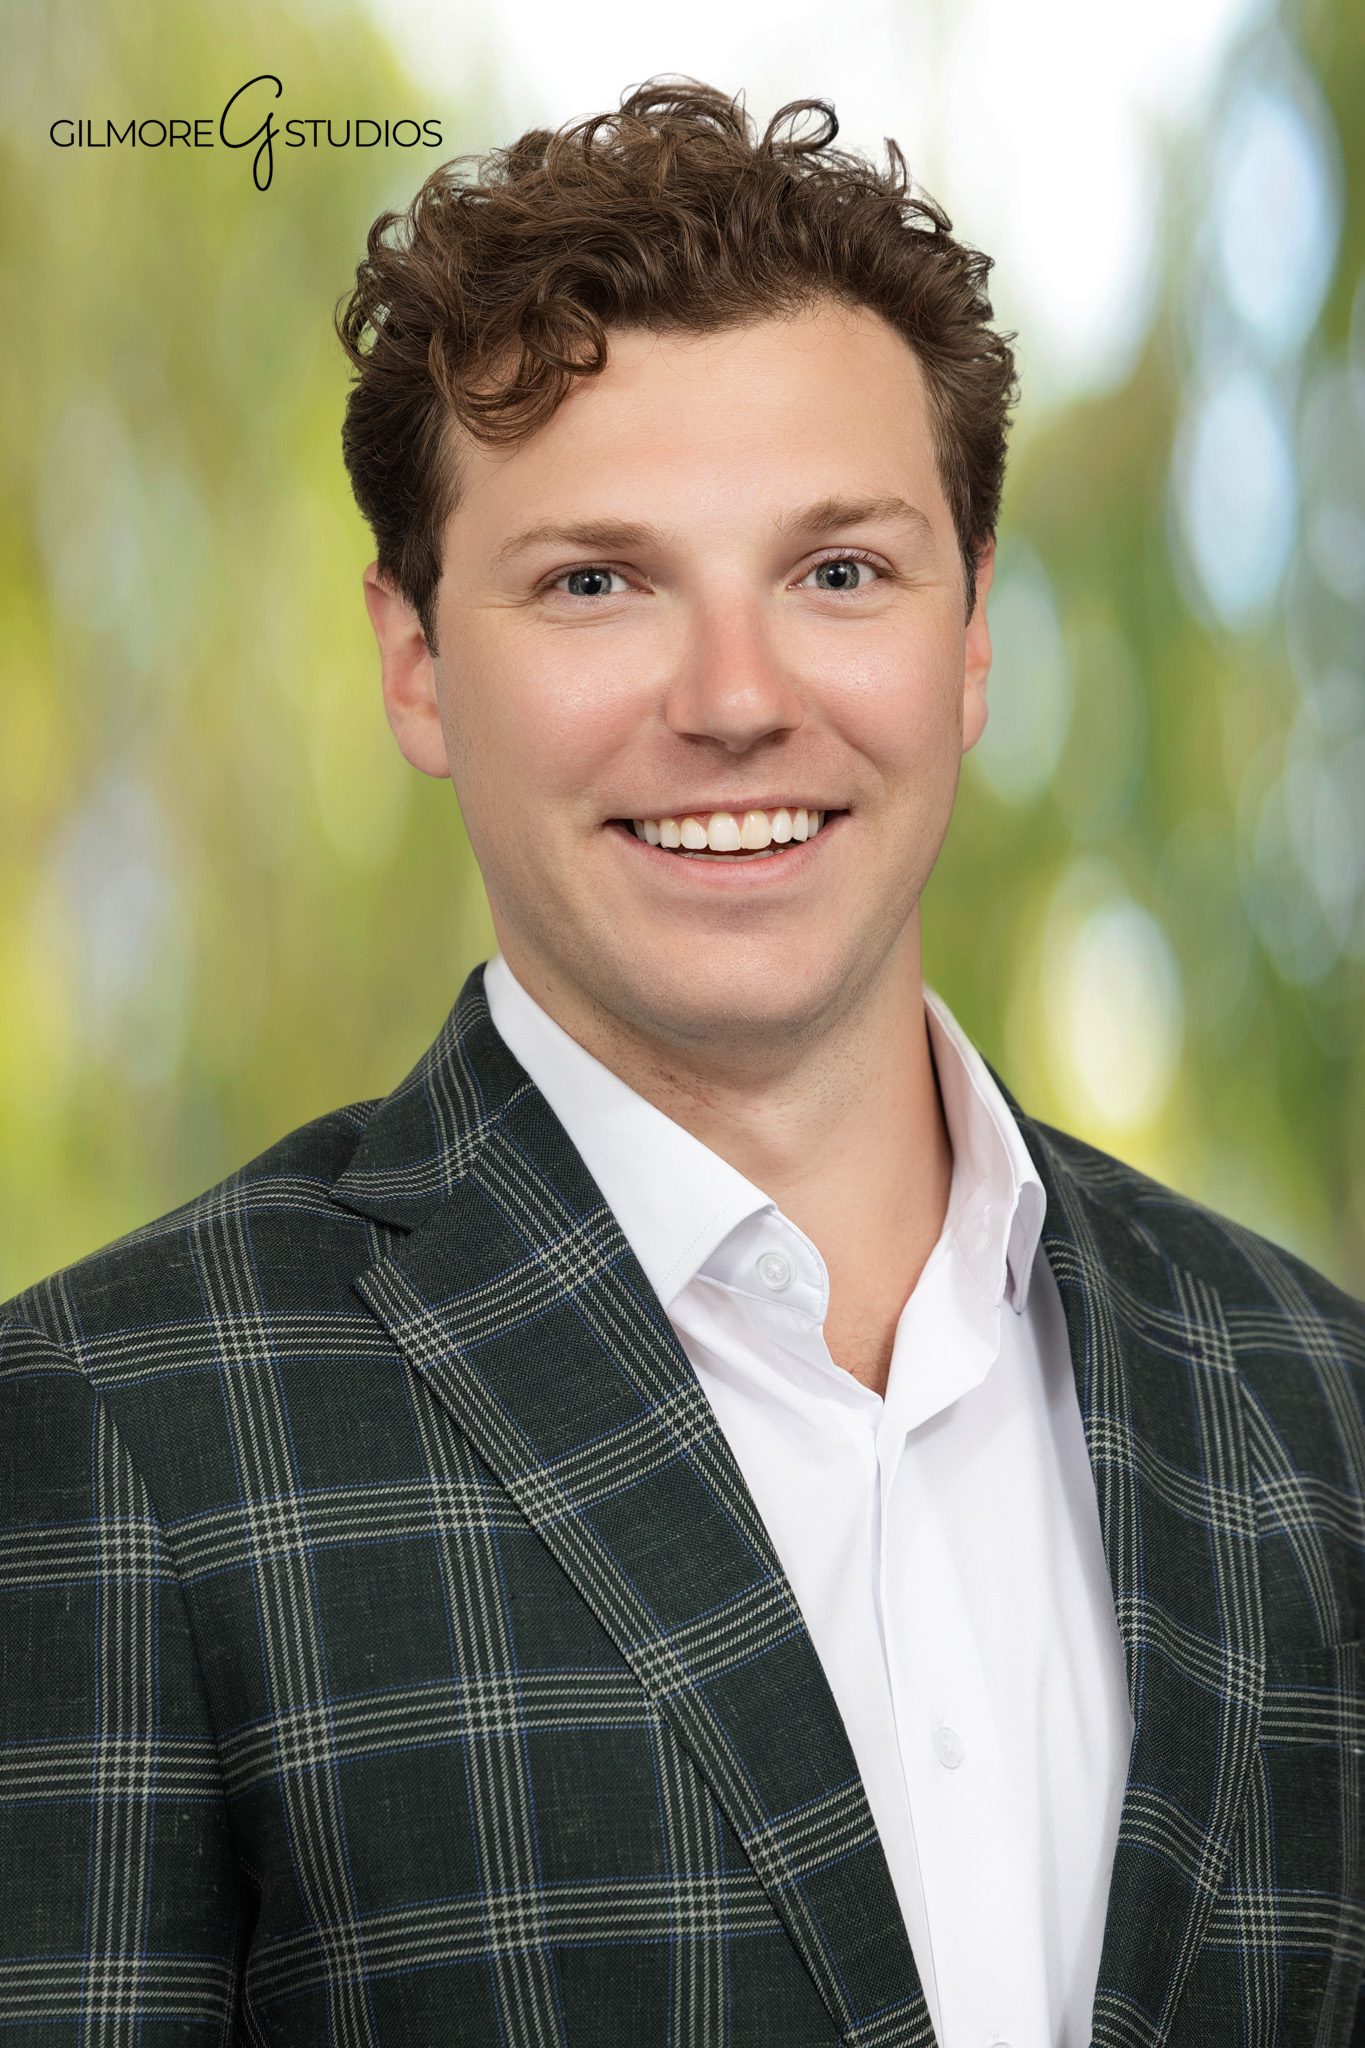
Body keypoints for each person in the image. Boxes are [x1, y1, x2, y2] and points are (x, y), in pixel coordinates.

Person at [2, 77, 1361, 2048]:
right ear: (412, 660)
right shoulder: (116, 1430)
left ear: (973, 632)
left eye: (837, 572)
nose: (735, 700)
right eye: (596, 581)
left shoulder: (1315, 1405)